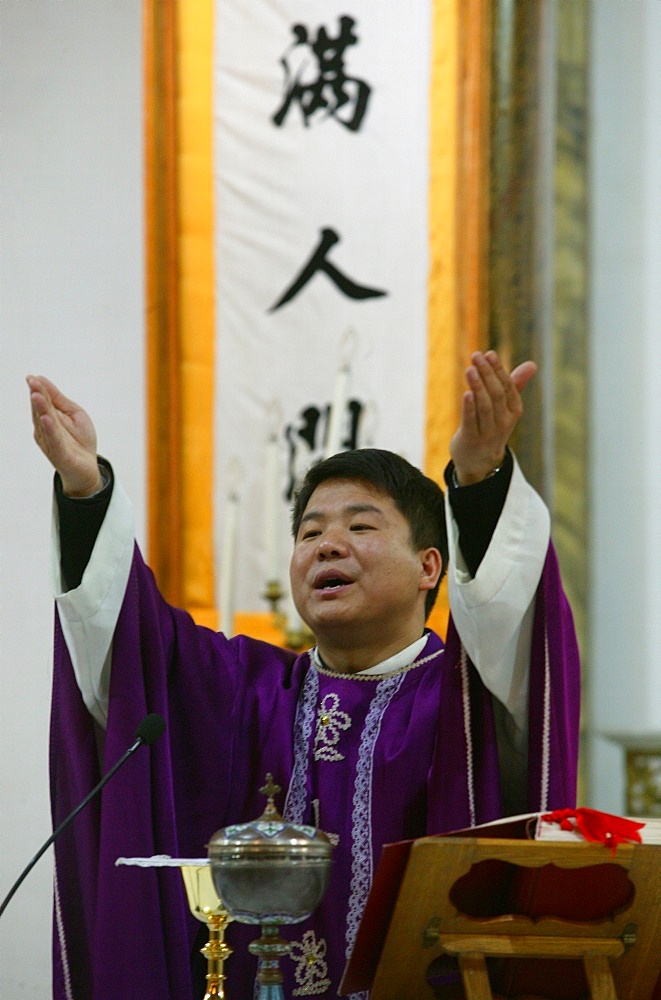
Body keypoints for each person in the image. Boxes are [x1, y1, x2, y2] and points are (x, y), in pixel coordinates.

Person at [27, 351, 580, 1000]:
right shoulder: (243, 689)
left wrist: (482, 479)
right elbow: (134, 648)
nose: (326, 545)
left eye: (360, 526)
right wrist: (88, 492)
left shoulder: (466, 701)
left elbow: (513, 635)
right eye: (310, 531)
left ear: (430, 566)